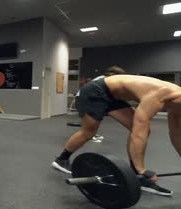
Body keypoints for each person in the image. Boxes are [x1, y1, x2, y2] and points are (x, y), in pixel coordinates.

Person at [51, 74, 181, 196]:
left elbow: (176, 135)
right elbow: (138, 132)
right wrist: (142, 170)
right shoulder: (160, 95)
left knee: (143, 130)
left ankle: (136, 174)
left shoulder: (177, 104)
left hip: (114, 96)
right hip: (96, 90)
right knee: (89, 132)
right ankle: (62, 160)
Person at [75, 66, 127, 143]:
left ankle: (92, 134)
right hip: (83, 97)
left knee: (94, 119)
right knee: (88, 118)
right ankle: (89, 136)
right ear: (112, 74)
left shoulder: (105, 79)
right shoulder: (103, 79)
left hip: (89, 97)